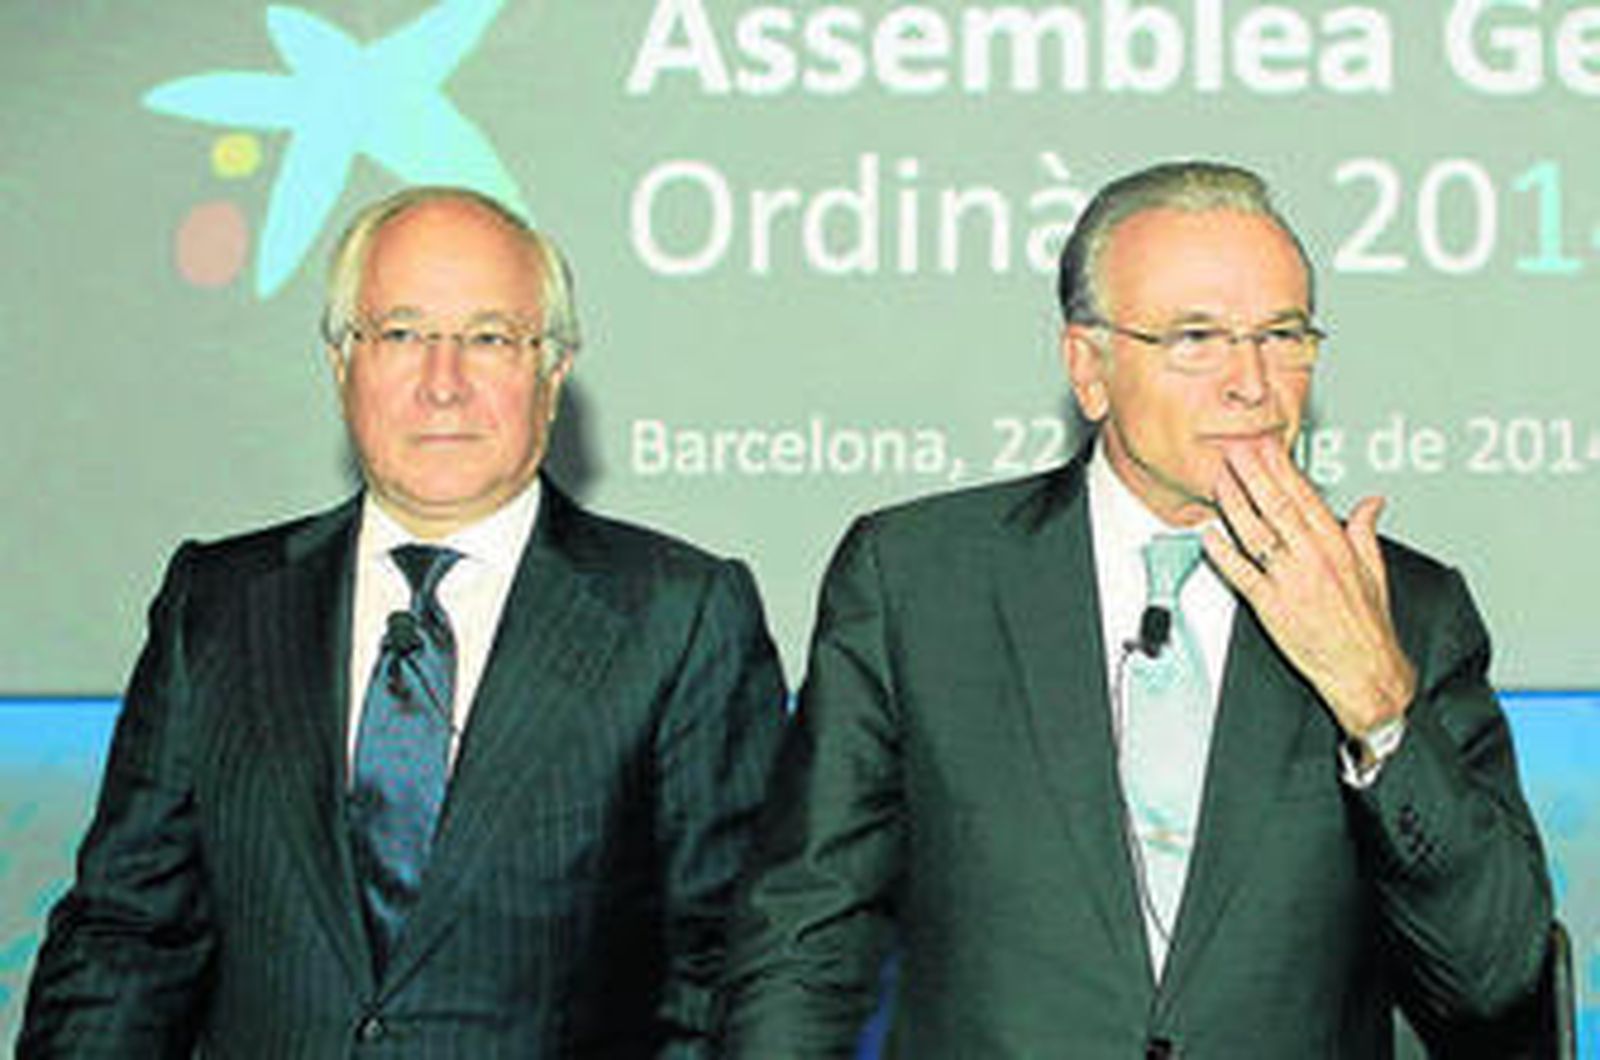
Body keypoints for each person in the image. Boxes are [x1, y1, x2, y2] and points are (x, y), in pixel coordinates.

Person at [720, 161, 1552, 1058]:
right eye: (1197, 337)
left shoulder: (1408, 609)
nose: (1253, 383)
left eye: (1282, 334)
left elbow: (1496, 974)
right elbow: (804, 942)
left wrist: (1379, 708)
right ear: (1088, 366)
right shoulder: (920, 582)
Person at [19, 187, 786, 1057]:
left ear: (554, 370)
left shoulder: (679, 618)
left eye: (490, 337)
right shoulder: (219, 608)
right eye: (402, 334)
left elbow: (729, 972)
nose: (443, 382)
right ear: (342, 361)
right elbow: (126, 938)